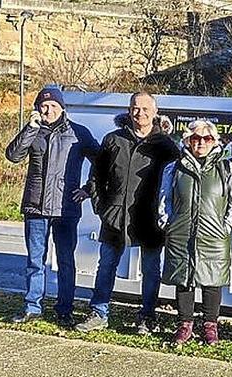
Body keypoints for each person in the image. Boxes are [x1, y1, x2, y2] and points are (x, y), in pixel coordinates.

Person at [75, 92, 180, 334]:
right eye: (135, 108)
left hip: (150, 219)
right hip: (115, 216)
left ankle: (147, 316)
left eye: (145, 109)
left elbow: (176, 182)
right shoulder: (113, 139)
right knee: (106, 266)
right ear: (129, 110)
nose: (139, 113)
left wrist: (167, 215)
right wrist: (102, 208)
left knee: (151, 269)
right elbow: (97, 176)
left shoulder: (165, 145)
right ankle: (99, 312)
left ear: (155, 112)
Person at [5, 86, 100, 328]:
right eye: (43, 106)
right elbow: (13, 156)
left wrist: (89, 189)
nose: (48, 110)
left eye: (53, 106)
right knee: (35, 261)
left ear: (62, 108)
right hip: (35, 207)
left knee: (66, 261)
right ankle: (32, 306)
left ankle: (64, 309)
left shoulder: (79, 133)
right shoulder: (33, 131)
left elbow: (102, 162)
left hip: (66, 208)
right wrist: (30, 128)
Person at [158, 119, 232, 345]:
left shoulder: (227, 168)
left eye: (206, 138)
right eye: (195, 138)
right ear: (188, 140)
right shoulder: (175, 168)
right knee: (184, 279)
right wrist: (167, 222)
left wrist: (227, 226)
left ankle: (210, 325)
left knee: (212, 281)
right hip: (182, 232)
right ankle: (185, 324)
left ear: (214, 141)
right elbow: (164, 198)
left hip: (214, 235)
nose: (201, 143)